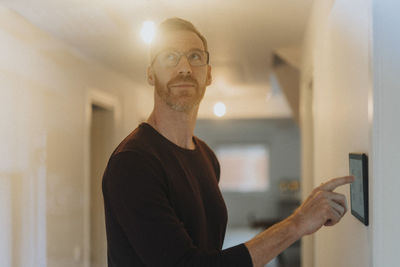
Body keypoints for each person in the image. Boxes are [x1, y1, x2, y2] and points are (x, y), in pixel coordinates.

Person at [102, 17, 354, 267]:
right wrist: (296, 224)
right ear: (150, 74)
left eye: (195, 57)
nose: (185, 68)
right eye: (170, 57)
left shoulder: (206, 157)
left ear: (209, 74)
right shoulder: (133, 163)